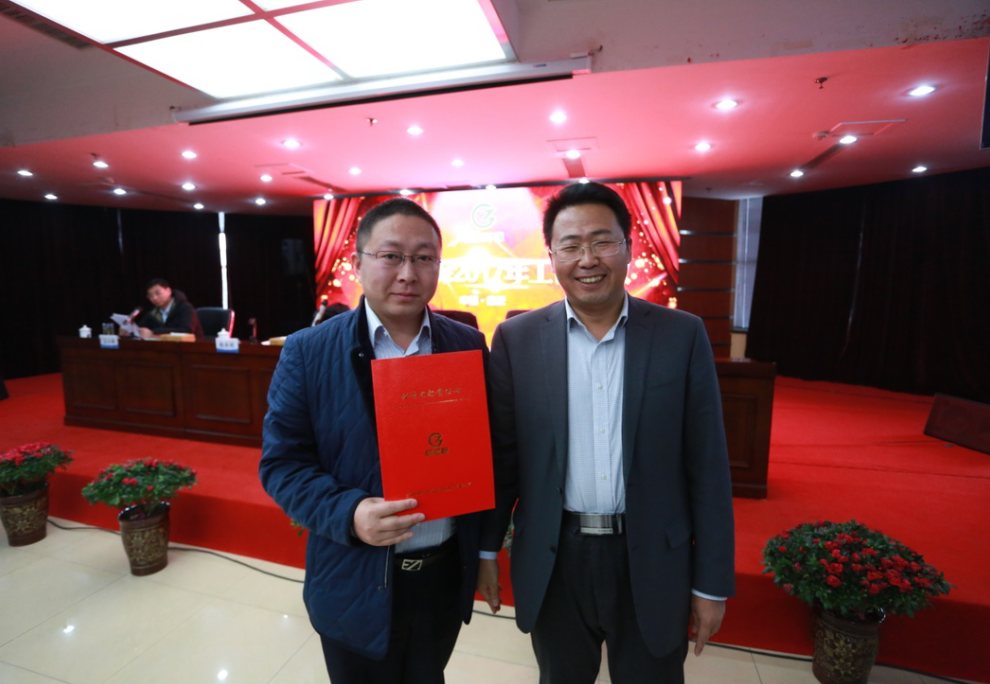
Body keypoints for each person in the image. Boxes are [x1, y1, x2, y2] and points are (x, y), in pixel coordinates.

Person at [477, 182, 736, 684]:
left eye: (602, 241)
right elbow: (503, 459)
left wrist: (712, 584)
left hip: (652, 558)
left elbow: (707, 466)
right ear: (552, 256)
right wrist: (487, 549)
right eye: (571, 246)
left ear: (629, 247)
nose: (587, 259)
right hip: (555, 558)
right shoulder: (516, 339)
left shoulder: (681, 335)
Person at [259, 198, 488, 684]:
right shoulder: (308, 351)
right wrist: (349, 513)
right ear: (358, 263)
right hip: (353, 577)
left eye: (423, 258)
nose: (408, 273)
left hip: (443, 577)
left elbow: (488, 451)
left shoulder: (467, 345)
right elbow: (282, 465)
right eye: (391, 256)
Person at [123, 278, 203, 339]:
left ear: (168, 291)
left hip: (191, 347)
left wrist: (153, 332)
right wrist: (130, 331)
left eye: (157, 293)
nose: (154, 298)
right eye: (150, 296)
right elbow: (141, 327)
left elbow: (186, 330)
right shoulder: (153, 312)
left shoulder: (185, 308)